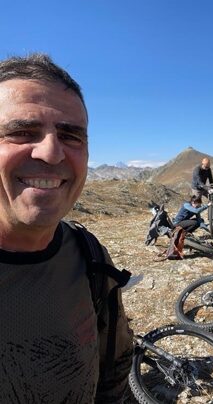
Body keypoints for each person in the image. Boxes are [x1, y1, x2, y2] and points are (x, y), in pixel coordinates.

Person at [0, 54, 133, 403]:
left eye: (71, 136)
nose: (51, 153)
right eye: (21, 132)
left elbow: (114, 370)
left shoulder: (90, 258)